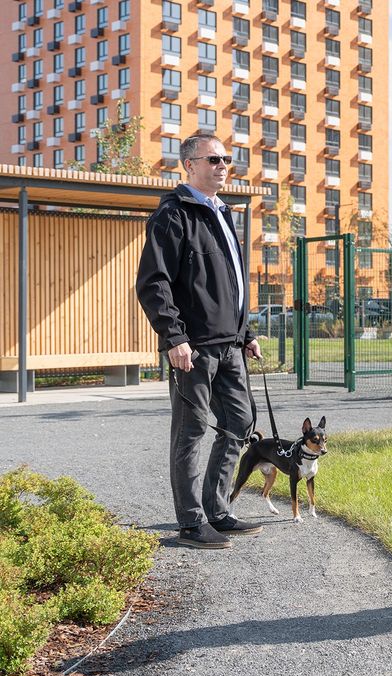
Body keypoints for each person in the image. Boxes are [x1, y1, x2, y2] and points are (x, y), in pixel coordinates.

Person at [136, 133, 264, 549]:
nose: (222, 164)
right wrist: (174, 337)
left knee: (240, 423)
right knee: (190, 432)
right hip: (193, 347)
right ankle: (191, 523)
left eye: (226, 158)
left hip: (229, 344)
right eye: (213, 158)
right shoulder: (173, 215)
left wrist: (246, 334)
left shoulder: (221, 213)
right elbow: (154, 284)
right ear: (188, 165)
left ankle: (218, 508)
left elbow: (232, 284)